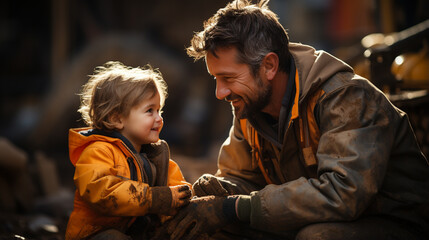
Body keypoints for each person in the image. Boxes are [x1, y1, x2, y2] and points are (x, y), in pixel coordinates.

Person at [164, 0, 429, 239]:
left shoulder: (346, 97)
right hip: (315, 217)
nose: (220, 93)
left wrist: (233, 207)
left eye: (229, 79)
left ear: (269, 66)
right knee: (210, 227)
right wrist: (219, 192)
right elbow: (243, 178)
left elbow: (343, 195)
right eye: (216, 79)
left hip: (395, 223)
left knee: (317, 237)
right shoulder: (250, 103)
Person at [65, 61, 192, 240]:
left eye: (159, 110)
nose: (159, 118)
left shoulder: (155, 156)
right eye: (150, 111)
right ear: (117, 118)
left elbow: (175, 188)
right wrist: (153, 199)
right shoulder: (98, 151)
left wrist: (188, 198)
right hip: (95, 233)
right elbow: (103, 192)